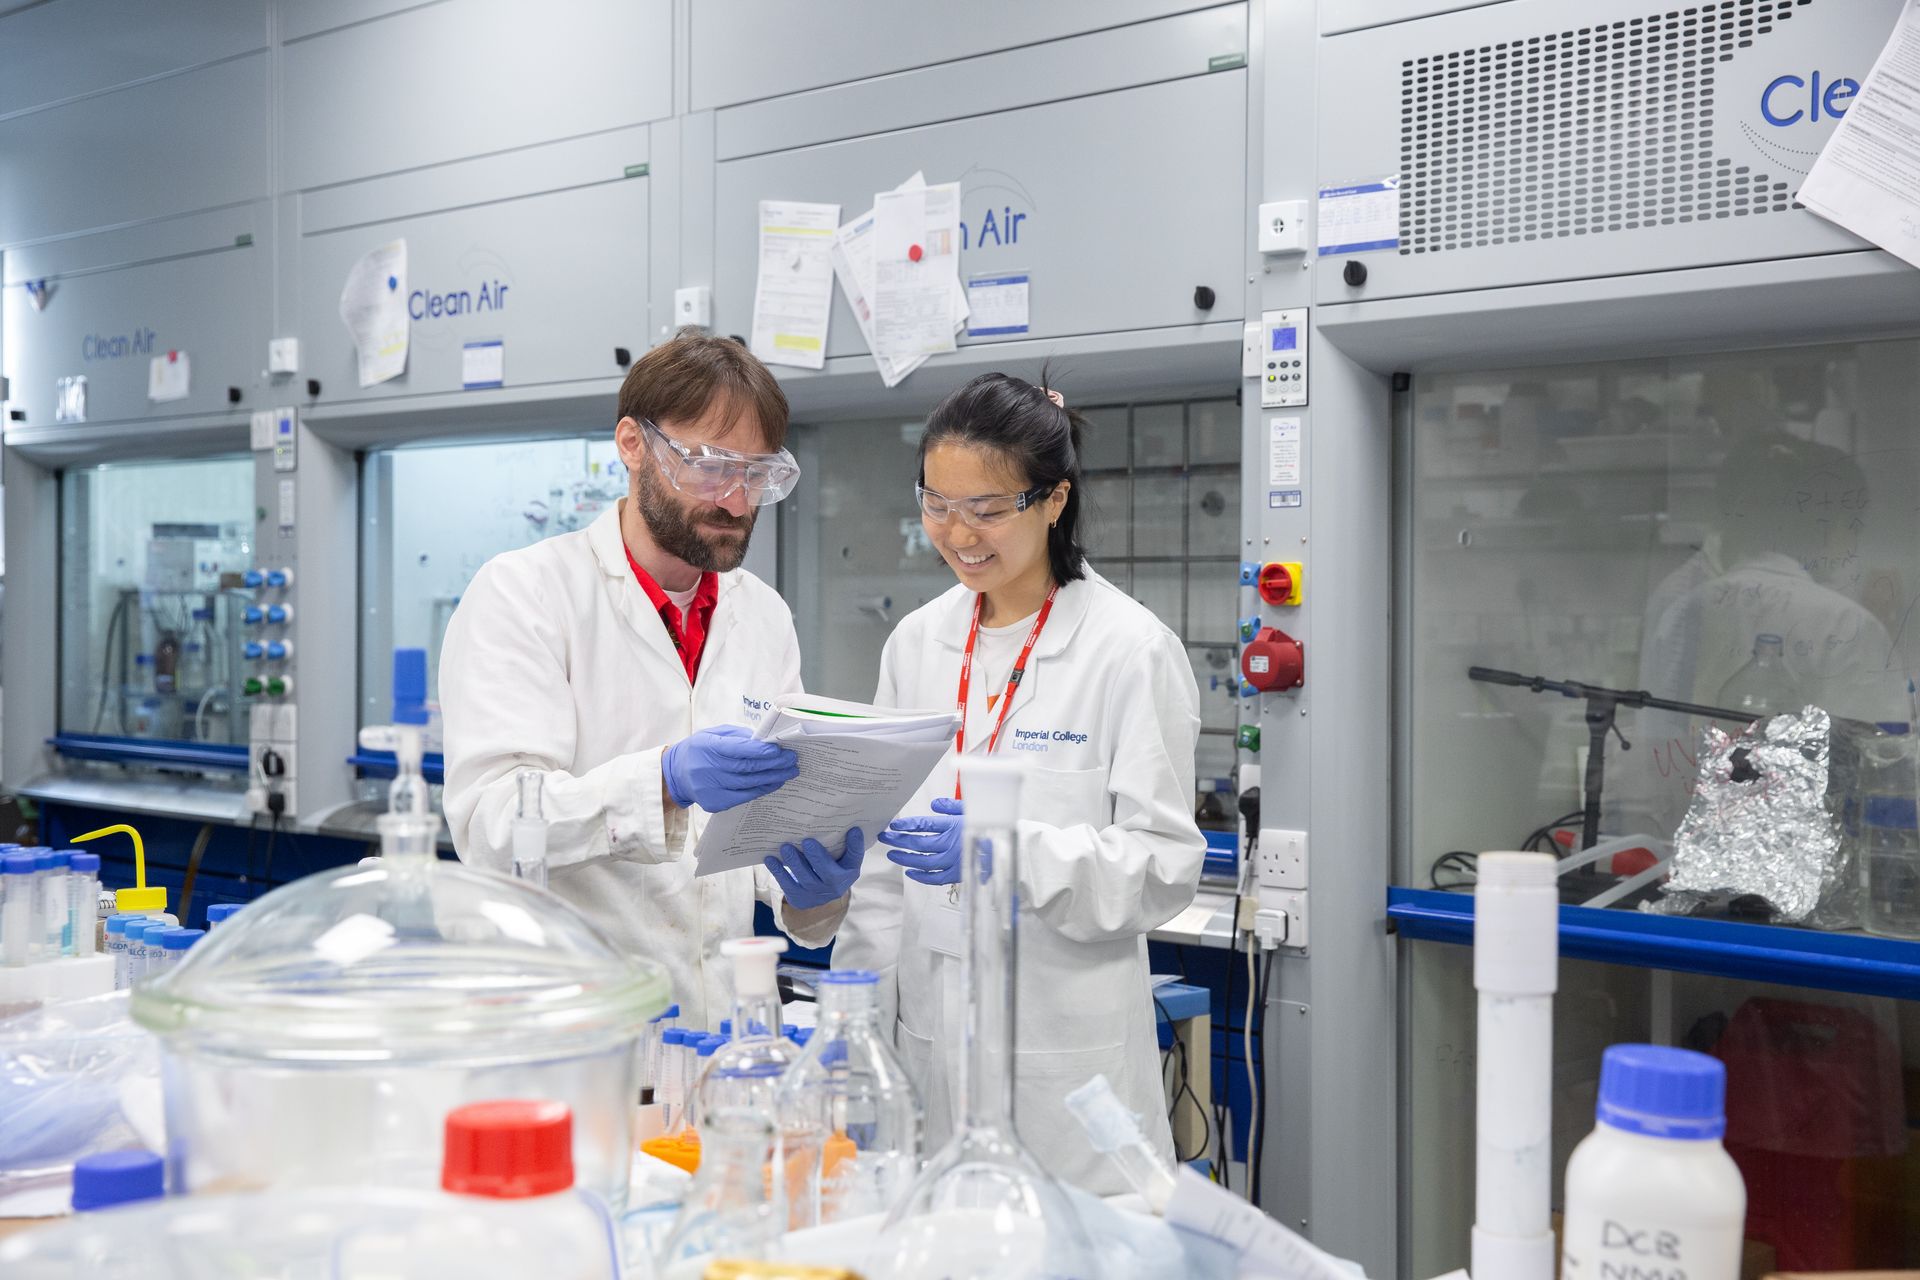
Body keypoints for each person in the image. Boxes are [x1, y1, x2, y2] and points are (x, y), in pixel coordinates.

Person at [835, 371, 1205, 1194]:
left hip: (1067, 1072)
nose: (959, 533)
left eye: (989, 510)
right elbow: (884, 875)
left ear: (1054, 500)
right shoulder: (916, 643)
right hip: (930, 1055)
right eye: (936, 503)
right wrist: (855, 1020)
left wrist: (1012, 854)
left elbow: (1165, 866)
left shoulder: (1127, 650)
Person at [439, 330, 863, 1027]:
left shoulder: (762, 616)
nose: (734, 501)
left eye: (755, 475)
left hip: (717, 1033)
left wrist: (815, 891)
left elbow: (757, 847)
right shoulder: (525, 594)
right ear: (633, 445)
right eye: (709, 466)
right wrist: (661, 780)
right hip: (574, 1029)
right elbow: (491, 824)